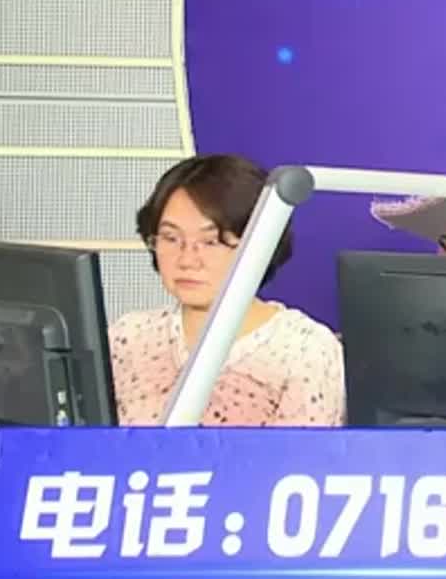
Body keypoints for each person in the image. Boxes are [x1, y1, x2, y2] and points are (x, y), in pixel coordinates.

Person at [107, 154, 344, 426]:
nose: (187, 259)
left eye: (211, 242)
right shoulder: (127, 337)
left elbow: (302, 452)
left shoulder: (304, 349)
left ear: (260, 244)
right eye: (171, 238)